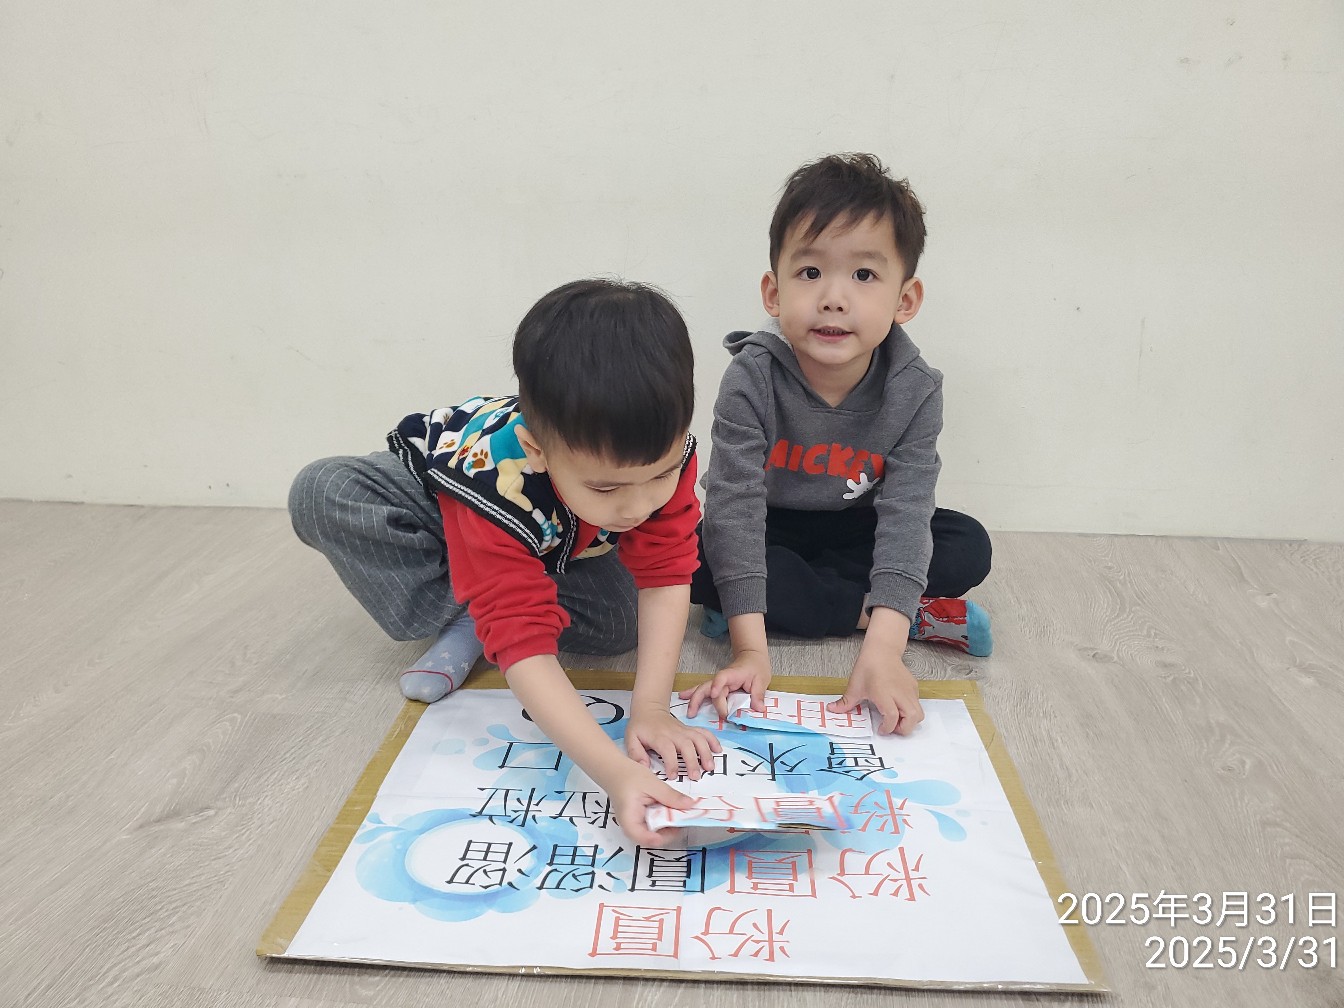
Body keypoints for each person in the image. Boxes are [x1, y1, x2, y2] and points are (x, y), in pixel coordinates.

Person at [289, 278, 717, 844]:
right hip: (446, 510)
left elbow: (666, 574)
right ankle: (477, 609)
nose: (639, 507)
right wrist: (614, 772)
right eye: (606, 487)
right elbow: (524, 638)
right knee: (323, 490)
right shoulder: (491, 478)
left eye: (659, 476)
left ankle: (487, 604)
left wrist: (653, 707)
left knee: (621, 624)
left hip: (554, 540)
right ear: (538, 449)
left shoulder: (664, 453)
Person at [684, 153, 993, 737]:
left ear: (905, 300)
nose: (832, 297)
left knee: (967, 544)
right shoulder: (751, 377)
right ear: (773, 292)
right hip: (770, 526)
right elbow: (734, 506)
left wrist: (884, 655)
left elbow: (906, 512)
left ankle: (793, 607)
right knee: (696, 557)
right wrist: (751, 651)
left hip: (859, 527)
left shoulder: (916, 388)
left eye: (864, 276)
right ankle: (879, 612)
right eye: (809, 273)